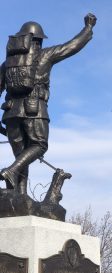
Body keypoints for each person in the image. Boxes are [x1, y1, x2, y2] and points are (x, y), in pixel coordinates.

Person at [0, 14, 96, 193]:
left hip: (11, 114)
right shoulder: (44, 55)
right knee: (39, 146)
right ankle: (11, 171)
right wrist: (88, 28)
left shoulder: (7, 64)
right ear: (37, 41)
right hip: (34, 110)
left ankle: (19, 196)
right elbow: (71, 46)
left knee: (21, 156)